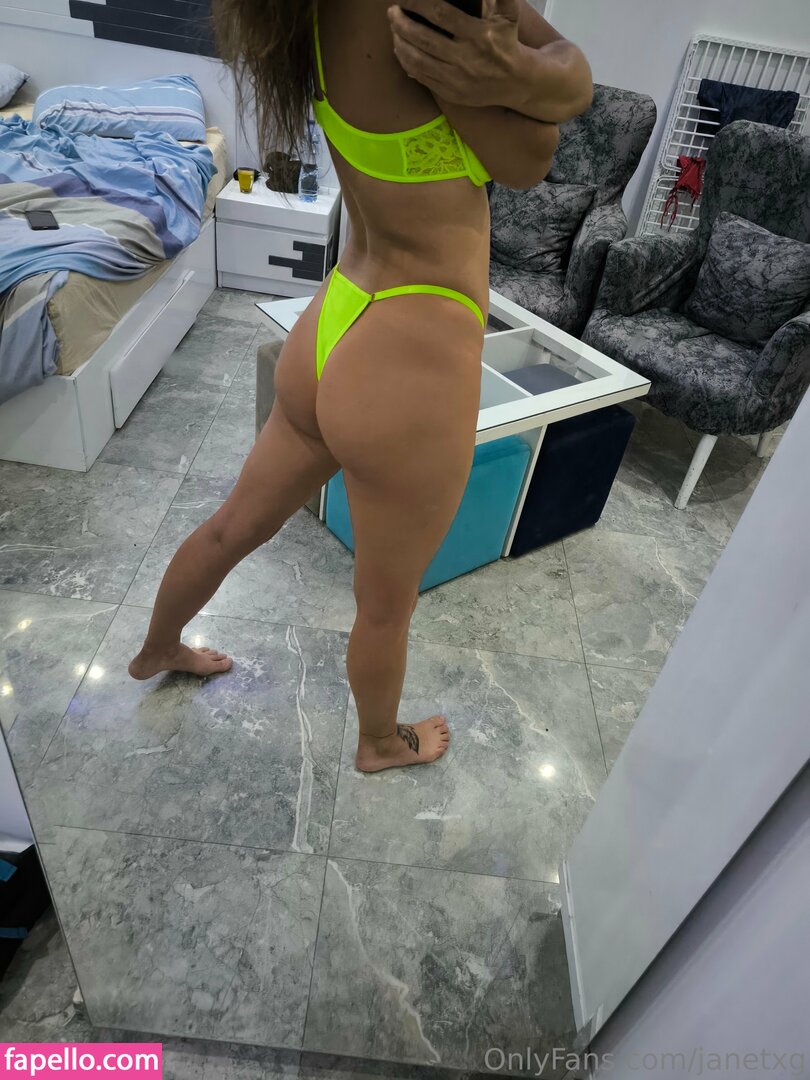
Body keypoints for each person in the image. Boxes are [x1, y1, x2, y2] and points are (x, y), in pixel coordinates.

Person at [128, 0, 592, 772]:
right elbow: (533, 152)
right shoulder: (428, 9)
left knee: (230, 526)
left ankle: (157, 647)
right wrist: (528, 76)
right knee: (385, 606)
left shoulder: (304, 12)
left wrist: (531, 78)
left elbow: (558, 89)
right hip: (414, 340)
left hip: (338, 313)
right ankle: (379, 742)